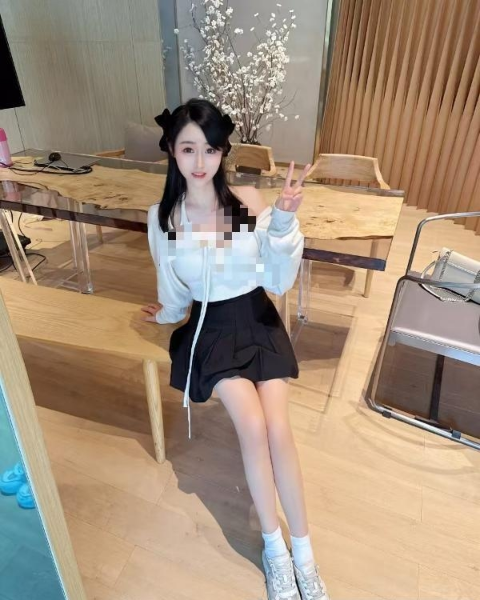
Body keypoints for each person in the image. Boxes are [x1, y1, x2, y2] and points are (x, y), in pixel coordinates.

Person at [142, 98, 329, 600]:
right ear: (172, 152)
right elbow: (174, 288)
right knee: (252, 426)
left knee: (278, 428)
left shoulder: (245, 201)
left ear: (223, 151)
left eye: (209, 149)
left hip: (257, 319)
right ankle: (274, 549)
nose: (200, 161)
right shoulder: (164, 219)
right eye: (188, 149)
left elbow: (275, 277)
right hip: (211, 330)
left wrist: (283, 221)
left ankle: (304, 553)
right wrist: (164, 314)